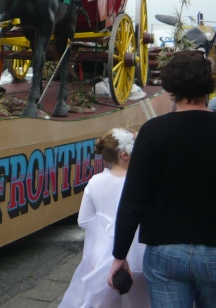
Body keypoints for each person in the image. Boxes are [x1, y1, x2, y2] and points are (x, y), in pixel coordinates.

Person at [108, 50, 216, 307]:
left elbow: (133, 200)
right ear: (210, 85)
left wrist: (119, 255)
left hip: (166, 248)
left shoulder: (153, 132)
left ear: (170, 87)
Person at [59, 128, 149, 308]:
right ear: (125, 154)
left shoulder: (95, 182)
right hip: (138, 250)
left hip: (100, 251)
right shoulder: (141, 182)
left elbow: (83, 220)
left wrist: (104, 224)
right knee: (142, 299)